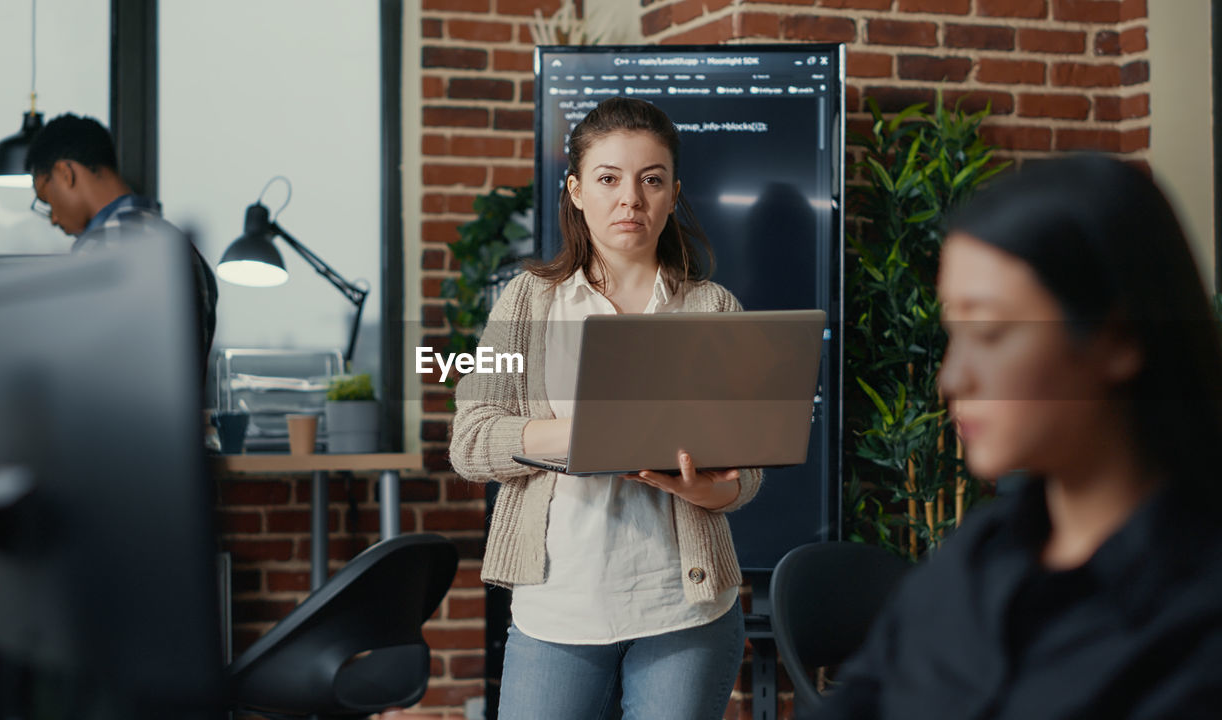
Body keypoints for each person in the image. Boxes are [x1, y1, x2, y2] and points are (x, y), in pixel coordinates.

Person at [812, 155, 1222, 719]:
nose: (951, 379)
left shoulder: (1196, 621)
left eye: (989, 331)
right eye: (954, 333)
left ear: (1119, 337)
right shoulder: (974, 558)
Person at [449, 97, 761, 720]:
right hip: (556, 607)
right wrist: (585, 433)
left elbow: (744, 473)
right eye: (609, 178)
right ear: (576, 190)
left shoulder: (713, 310)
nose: (631, 199)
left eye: (652, 180)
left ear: (674, 194)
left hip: (684, 608)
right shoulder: (528, 305)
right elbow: (471, 440)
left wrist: (707, 491)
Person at [25, 113, 218, 376]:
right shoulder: (186, 250)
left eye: (47, 200)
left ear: (65, 173)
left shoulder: (97, 251)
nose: (53, 218)